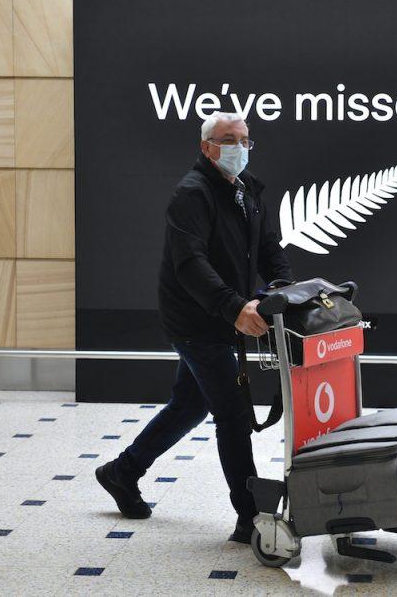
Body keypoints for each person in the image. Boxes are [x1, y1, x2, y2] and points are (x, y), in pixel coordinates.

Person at [96, 111, 293, 544]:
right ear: (206, 147)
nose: (238, 148)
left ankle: (121, 472)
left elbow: (268, 247)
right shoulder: (192, 195)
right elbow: (190, 265)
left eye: (244, 140)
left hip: (223, 316)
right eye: (228, 140)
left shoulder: (247, 191)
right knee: (233, 414)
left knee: (189, 405)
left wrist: (281, 285)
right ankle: (251, 518)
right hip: (194, 320)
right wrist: (235, 307)